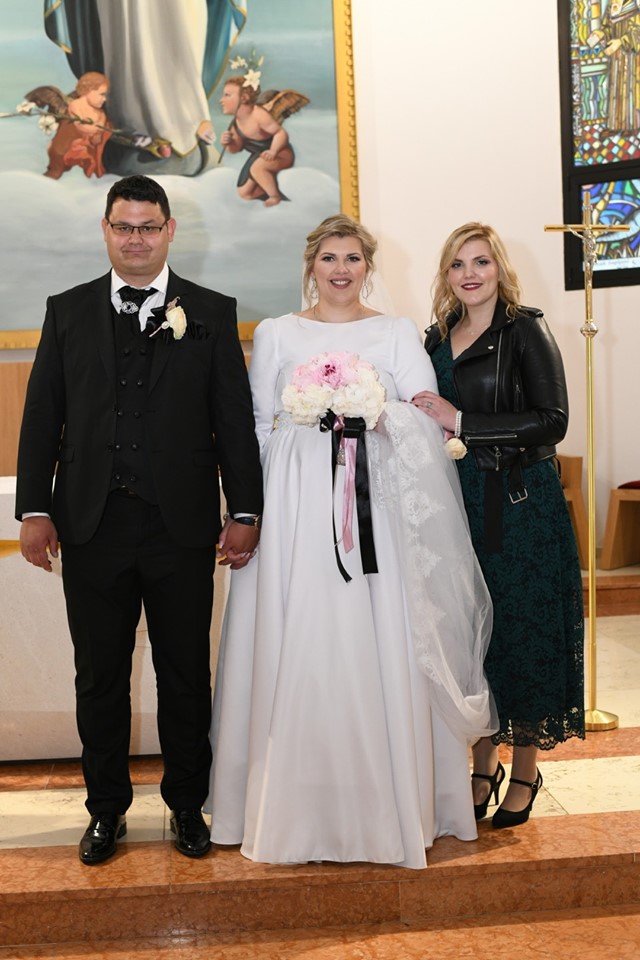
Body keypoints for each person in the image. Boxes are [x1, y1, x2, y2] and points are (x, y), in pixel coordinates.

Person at [207, 214, 497, 869]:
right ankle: (290, 803)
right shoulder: (277, 332)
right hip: (294, 506)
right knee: (298, 634)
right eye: (330, 258)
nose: (341, 269)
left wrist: (367, 409)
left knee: (377, 636)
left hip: (375, 514)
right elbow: (257, 424)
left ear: (368, 266)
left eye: (353, 258)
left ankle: (387, 805)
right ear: (311, 265)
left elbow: (426, 415)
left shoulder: (395, 332)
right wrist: (261, 503)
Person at [16, 174, 263, 865]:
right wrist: (34, 508)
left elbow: (233, 420)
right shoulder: (66, 311)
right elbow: (42, 416)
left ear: (169, 231)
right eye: (123, 227)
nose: (135, 239)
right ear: (106, 230)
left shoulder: (210, 311)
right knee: (99, 677)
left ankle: (187, 805)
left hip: (181, 527)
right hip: (90, 526)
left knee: (185, 673)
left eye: (148, 227)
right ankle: (106, 811)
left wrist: (245, 509)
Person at [415, 222, 585, 830]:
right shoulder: (436, 336)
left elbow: (553, 420)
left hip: (519, 503)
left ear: (499, 269)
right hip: (454, 504)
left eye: (481, 262)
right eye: (458, 264)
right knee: (471, 638)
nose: (470, 274)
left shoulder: (525, 330)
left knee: (521, 633)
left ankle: (526, 770)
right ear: (447, 274)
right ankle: (482, 762)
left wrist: (464, 421)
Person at [219, 77, 294, 206]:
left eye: (227, 95)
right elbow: (236, 149)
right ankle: (269, 191)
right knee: (244, 193)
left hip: (280, 153)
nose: (221, 100)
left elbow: (280, 133)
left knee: (258, 167)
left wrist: (273, 151)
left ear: (243, 98)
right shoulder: (236, 124)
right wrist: (228, 143)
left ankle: (275, 196)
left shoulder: (258, 115)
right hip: (258, 156)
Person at [43, 71, 111, 180]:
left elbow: (101, 129)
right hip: (66, 144)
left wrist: (98, 134)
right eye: (101, 94)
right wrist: (96, 130)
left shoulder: (101, 113)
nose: (104, 99)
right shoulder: (76, 105)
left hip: (87, 146)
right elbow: (82, 127)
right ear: (89, 90)